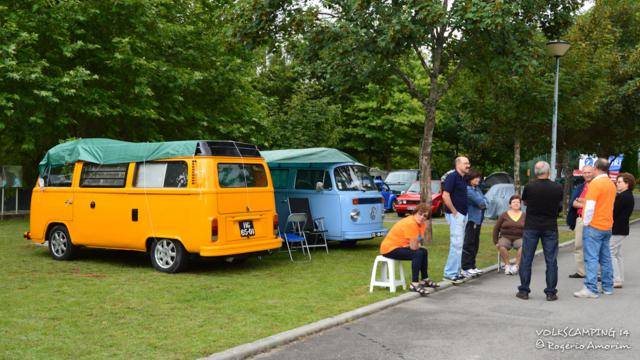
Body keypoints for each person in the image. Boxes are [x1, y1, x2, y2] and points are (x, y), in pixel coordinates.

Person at [516, 161, 563, 301]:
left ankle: (524, 290)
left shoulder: (530, 187)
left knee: (527, 259)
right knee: (551, 260)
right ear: (549, 172)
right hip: (550, 226)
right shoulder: (557, 187)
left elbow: (525, 202)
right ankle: (550, 292)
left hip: (532, 226)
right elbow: (559, 206)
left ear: (536, 172)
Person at [574, 158, 617, 299]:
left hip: (594, 225)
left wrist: (586, 223)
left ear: (595, 168)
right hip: (607, 225)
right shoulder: (611, 184)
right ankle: (607, 286)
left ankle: (591, 288)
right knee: (605, 257)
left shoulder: (595, 184)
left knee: (591, 258)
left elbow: (590, 207)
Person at [380, 203, 439, 296]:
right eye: (420, 214)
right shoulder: (411, 223)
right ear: (415, 212)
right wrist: (416, 245)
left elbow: (418, 243)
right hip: (389, 248)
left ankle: (424, 279)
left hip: (400, 246)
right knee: (418, 253)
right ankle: (414, 283)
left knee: (424, 251)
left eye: (425, 216)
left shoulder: (421, 225)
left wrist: (417, 245)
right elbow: (414, 247)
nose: (422, 217)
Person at [442, 157, 471, 284]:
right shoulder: (452, 177)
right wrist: (454, 211)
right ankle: (449, 273)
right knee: (456, 244)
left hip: (463, 214)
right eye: (465, 163)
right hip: (456, 215)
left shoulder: (463, 178)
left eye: (468, 163)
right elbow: (445, 195)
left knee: (459, 244)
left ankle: (457, 272)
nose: (468, 165)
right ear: (458, 164)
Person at [566, 165, 595, 279]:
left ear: (593, 173)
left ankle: (595, 273)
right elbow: (573, 203)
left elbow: (596, 205)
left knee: (593, 246)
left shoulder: (597, 186)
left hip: (593, 219)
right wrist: (586, 203)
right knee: (578, 245)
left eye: (589, 172)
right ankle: (581, 272)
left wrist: (582, 202)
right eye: (585, 172)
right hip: (580, 219)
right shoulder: (580, 187)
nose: (587, 174)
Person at [610, 173, 635, 289]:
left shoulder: (623, 196)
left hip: (618, 228)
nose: (617, 184)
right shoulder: (626, 195)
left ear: (627, 184)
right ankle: (619, 277)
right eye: (617, 182)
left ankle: (617, 279)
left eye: (619, 182)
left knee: (611, 252)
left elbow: (614, 212)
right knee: (618, 254)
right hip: (621, 228)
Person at [461, 169, 487, 278]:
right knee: (469, 243)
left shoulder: (477, 189)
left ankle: (472, 265)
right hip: (471, 220)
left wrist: (483, 202)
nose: (478, 179)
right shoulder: (468, 190)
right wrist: (483, 202)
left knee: (475, 243)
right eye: (476, 178)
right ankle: (466, 267)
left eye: (479, 177)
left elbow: (486, 201)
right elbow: (481, 202)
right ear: (470, 179)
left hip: (478, 219)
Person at [493, 195, 525, 275]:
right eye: (514, 202)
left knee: (524, 246)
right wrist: (496, 242)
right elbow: (496, 229)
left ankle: (516, 267)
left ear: (520, 204)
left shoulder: (525, 215)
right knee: (501, 245)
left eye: (518, 202)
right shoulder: (504, 215)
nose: (516, 204)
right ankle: (507, 265)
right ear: (509, 204)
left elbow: (528, 229)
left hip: (519, 237)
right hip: (505, 237)